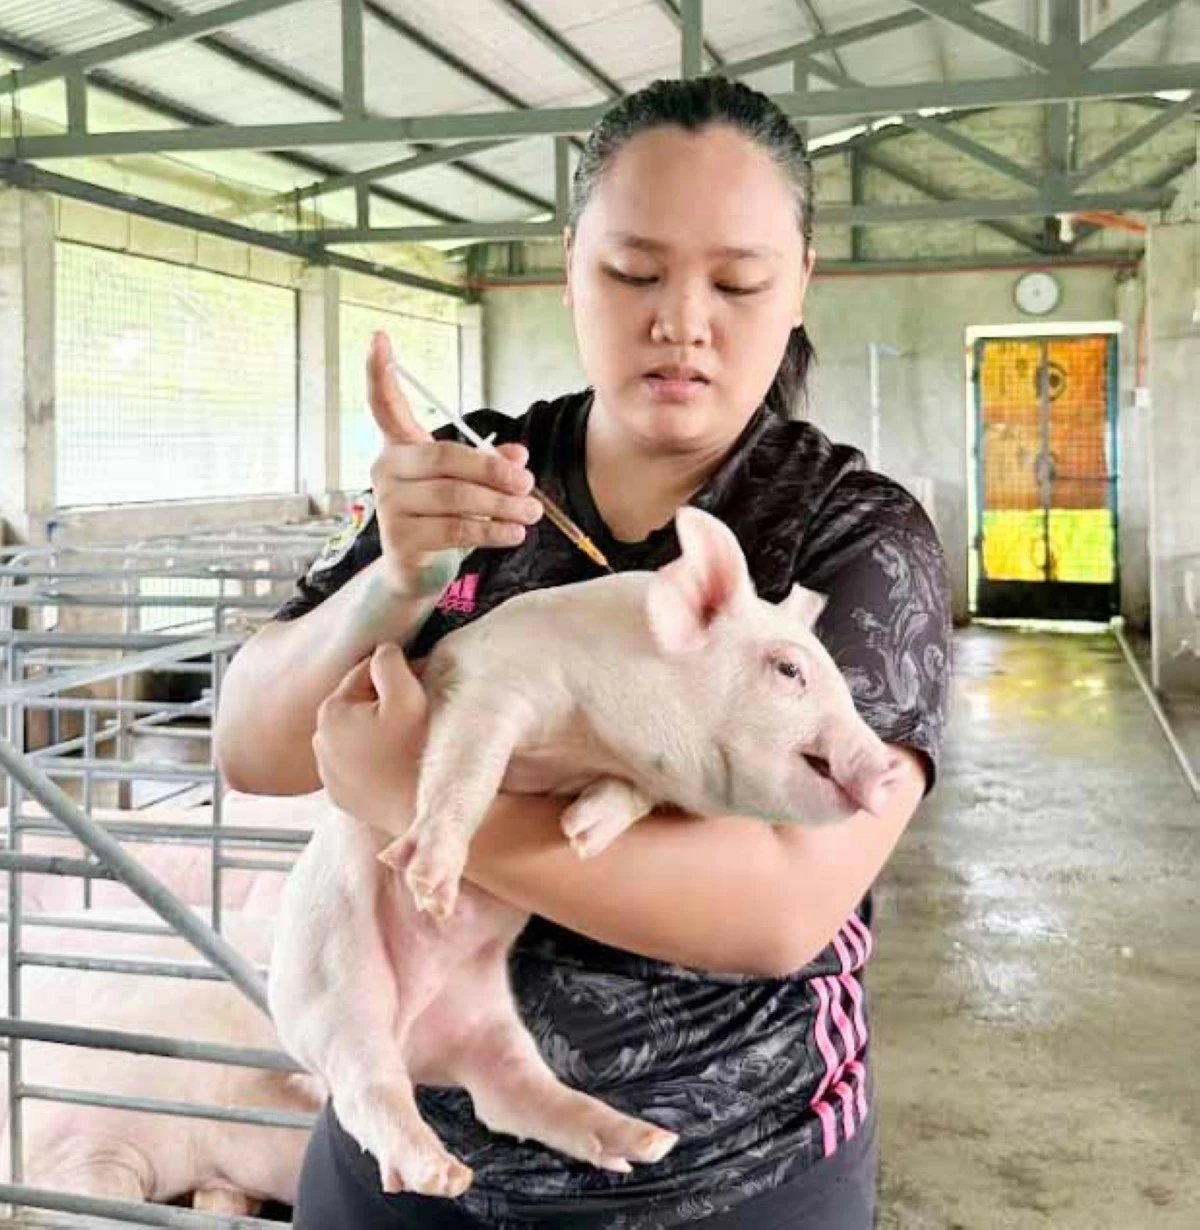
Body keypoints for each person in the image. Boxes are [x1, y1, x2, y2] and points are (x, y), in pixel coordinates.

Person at [215, 76, 951, 1229]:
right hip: (397, 1163)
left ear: (799, 281)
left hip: (728, 1180)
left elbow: (778, 909)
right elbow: (250, 747)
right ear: (570, 266)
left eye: (739, 280)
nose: (683, 321)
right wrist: (395, 581)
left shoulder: (851, 536)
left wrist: (414, 793)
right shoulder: (472, 476)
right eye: (633, 273)